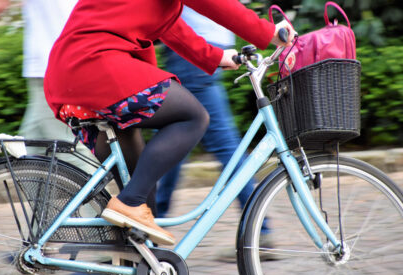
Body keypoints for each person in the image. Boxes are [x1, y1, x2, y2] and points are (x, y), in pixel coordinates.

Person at [44, 0, 296, 247]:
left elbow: (168, 23)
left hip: (75, 72)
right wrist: (267, 32)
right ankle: (129, 204)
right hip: (94, 66)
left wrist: (215, 56)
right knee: (192, 117)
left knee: (142, 192)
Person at [0, 0, 94, 170]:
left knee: (66, 151)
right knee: (30, 156)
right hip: (52, 67)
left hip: (56, 67)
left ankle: (107, 197)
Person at [156, 6, 255, 218]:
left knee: (179, 140)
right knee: (177, 140)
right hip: (205, 47)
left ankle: (152, 218)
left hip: (192, 49)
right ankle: (151, 217)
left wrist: (265, 33)